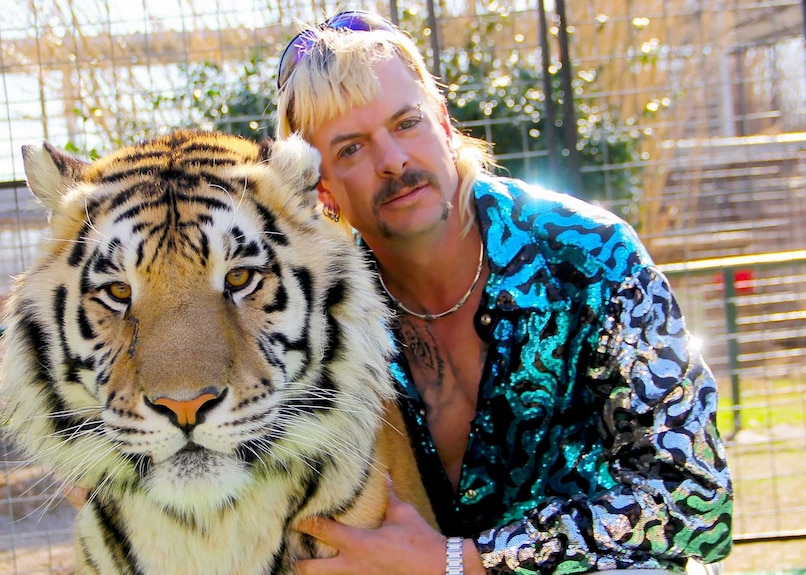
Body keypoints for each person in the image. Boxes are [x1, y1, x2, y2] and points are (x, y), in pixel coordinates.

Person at [275, 10, 733, 575]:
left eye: (406, 123)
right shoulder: (322, 320)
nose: (393, 159)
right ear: (322, 190)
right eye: (351, 149)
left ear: (443, 123)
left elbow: (699, 504)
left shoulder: (593, 255)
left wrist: (462, 561)